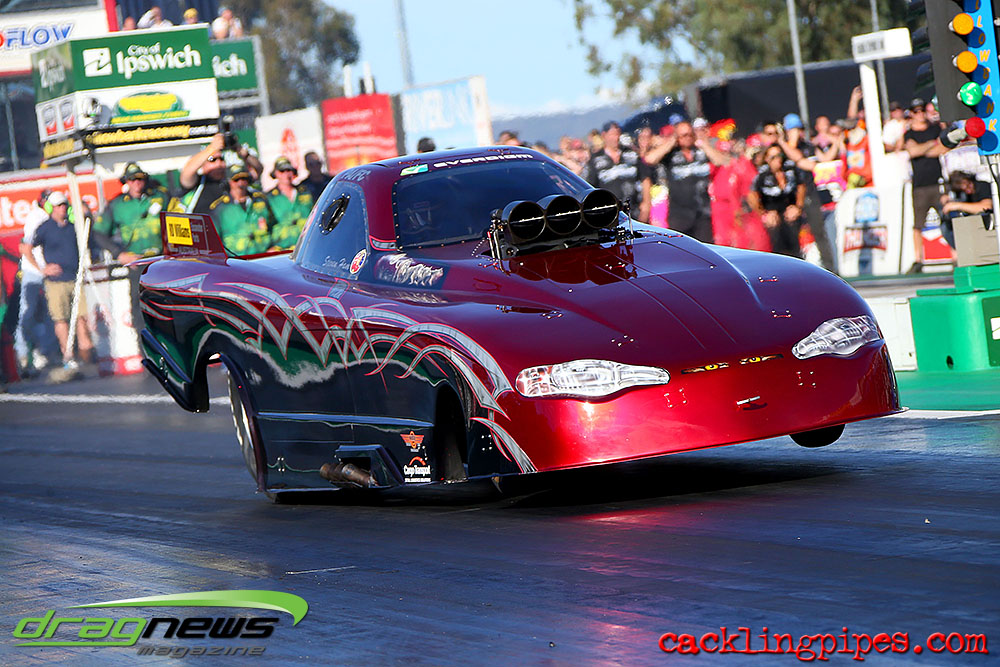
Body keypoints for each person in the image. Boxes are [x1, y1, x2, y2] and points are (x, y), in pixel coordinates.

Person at [23, 192, 96, 367]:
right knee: (61, 318)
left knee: (82, 316)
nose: (62, 209)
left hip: (76, 278)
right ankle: (68, 353)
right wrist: (42, 269)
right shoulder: (45, 228)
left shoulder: (73, 227)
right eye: (58, 206)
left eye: (64, 205)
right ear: (52, 208)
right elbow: (26, 248)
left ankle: (85, 351)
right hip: (56, 282)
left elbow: (90, 236)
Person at [644, 119, 730, 242]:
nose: (688, 138)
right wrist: (670, 142)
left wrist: (704, 144)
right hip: (679, 213)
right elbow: (649, 159)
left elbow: (722, 161)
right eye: (684, 135)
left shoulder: (701, 151)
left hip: (702, 212)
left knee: (705, 248)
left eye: (690, 134)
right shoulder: (671, 154)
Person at [14, 190, 60, 374]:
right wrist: (41, 268)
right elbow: (25, 248)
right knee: (28, 312)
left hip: (48, 271)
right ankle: (22, 354)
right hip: (34, 271)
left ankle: (47, 352)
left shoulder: (51, 217)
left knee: (52, 313)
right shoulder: (36, 217)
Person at [904, 98, 948, 273]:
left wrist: (922, 149)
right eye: (916, 111)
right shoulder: (909, 134)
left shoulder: (935, 128)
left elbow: (943, 148)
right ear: (911, 114)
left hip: (938, 181)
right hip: (920, 185)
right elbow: (912, 151)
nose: (920, 114)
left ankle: (955, 256)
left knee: (947, 219)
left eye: (922, 110)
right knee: (918, 224)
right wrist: (931, 143)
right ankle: (918, 260)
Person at [173, 133, 263, 214]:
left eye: (221, 159)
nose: (219, 164)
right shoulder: (197, 183)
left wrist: (241, 150)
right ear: (203, 165)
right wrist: (212, 148)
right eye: (212, 160)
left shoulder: (232, 181)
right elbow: (188, 170)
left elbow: (258, 169)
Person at [581, 121, 652, 222]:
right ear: (604, 135)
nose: (616, 138)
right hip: (609, 213)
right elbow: (589, 186)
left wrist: (646, 204)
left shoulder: (631, 154)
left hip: (633, 210)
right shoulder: (595, 160)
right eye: (612, 134)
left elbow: (645, 178)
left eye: (618, 134)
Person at [748, 145, 806, 257]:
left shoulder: (790, 169)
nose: (777, 159)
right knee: (776, 238)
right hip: (772, 212)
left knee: (794, 237)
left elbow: (801, 186)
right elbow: (752, 195)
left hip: (789, 210)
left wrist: (798, 207)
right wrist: (763, 214)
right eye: (773, 157)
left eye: (779, 156)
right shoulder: (762, 175)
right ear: (767, 159)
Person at [209, 164, 276, 255]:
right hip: (235, 258)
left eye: (244, 179)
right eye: (236, 180)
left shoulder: (261, 200)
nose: (240, 183)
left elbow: (273, 225)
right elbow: (214, 239)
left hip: (262, 255)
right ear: (229, 182)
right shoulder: (220, 208)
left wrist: (273, 246)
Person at [265, 157, 314, 250]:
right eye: (282, 171)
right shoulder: (269, 198)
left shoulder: (305, 192)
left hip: (306, 246)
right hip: (281, 248)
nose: (286, 174)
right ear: (275, 173)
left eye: (289, 170)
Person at [940, 171, 993, 250]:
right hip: (972, 225)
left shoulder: (982, 186)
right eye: (963, 189)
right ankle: (961, 249)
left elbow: (986, 207)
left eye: (968, 185)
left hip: (989, 222)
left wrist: (957, 205)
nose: (968, 190)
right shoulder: (963, 195)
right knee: (946, 226)